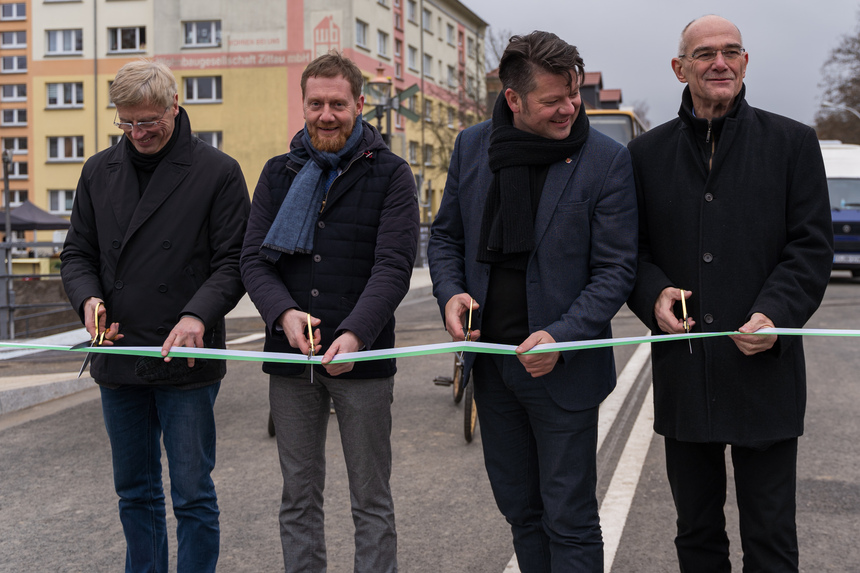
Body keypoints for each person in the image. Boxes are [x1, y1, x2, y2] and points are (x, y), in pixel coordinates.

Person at [626, 15, 834, 572]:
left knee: (769, 538)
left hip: (766, 376)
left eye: (731, 51)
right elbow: (632, 253)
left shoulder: (793, 143)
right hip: (687, 375)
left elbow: (810, 249)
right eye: (704, 53)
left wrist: (774, 311)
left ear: (745, 63)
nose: (719, 61)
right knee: (696, 535)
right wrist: (654, 295)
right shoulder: (646, 156)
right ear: (680, 68)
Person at [428, 31, 638, 571]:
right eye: (553, 100)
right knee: (521, 512)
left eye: (574, 94)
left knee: (569, 519)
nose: (569, 108)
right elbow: (447, 238)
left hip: (562, 372)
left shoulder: (607, 161)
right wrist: (451, 295)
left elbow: (615, 271)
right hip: (494, 367)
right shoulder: (473, 146)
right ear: (513, 99)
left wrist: (562, 337)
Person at [60, 60, 250, 573]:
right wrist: (89, 302)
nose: (137, 133)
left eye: (148, 122)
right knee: (135, 494)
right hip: (119, 355)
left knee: (191, 494)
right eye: (126, 123)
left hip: (186, 357)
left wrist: (196, 316)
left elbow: (234, 262)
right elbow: (77, 254)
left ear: (174, 107)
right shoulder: (99, 170)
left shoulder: (218, 171)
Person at [240, 52, 418, 573]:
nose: (326, 115)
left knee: (371, 499)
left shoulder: (391, 174)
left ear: (359, 105)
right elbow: (253, 261)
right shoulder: (278, 173)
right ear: (303, 105)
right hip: (290, 356)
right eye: (315, 103)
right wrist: (284, 315)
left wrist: (357, 335)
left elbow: (393, 266)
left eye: (337, 104)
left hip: (362, 357)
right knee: (298, 498)